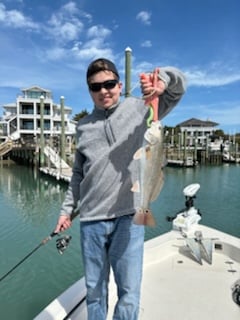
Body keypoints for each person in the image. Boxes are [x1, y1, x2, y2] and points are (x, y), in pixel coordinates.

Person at [54, 58, 186, 320]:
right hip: (91, 220)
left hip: (130, 216)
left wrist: (164, 82)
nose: (104, 91)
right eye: (96, 87)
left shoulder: (142, 108)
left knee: (129, 292)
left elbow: (179, 88)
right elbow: (79, 173)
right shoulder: (82, 127)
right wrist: (66, 210)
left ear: (119, 83)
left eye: (110, 84)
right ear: (89, 90)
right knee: (94, 291)